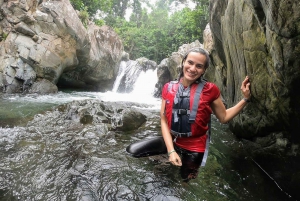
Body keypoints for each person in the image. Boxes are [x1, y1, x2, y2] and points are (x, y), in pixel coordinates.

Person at [126, 47, 251, 182]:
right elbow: (163, 119)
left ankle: (176, 170)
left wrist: (245, 99)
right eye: (190, 63)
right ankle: (164, 162)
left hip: (195, 148)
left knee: (184, 181)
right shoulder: (168, 87)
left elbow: (224, 117)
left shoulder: (210, 89)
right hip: (172, 141)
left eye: (199, 66)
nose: (192, 69)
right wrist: (171, 150)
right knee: (132, 150)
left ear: (204, 70)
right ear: (183, 62)